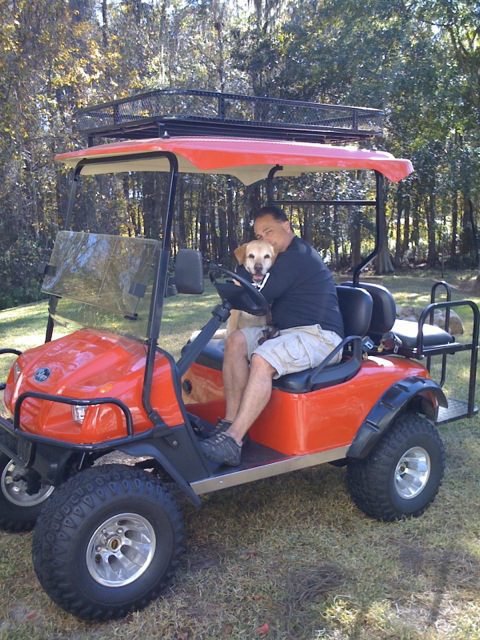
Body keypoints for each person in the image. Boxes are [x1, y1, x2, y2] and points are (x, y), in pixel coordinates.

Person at [199, 205, 344, 466]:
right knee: (236, 341)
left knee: (262, 358)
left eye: (269, 231)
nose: (264, 239)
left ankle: (233, 440)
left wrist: (241, 277)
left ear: (287, 226)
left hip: (320, 337)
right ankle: (229, 425)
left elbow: (259, 294)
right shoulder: (276, 257)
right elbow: (250, 280)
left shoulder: (296, 257)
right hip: (287, 333)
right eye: (259, 234)